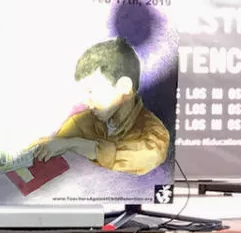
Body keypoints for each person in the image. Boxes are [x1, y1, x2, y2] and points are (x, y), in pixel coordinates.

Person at [32, 37, 170, 176]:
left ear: (124, 86)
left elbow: (149, 156)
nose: (87, 102)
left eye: (91, 92)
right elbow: (52, 144)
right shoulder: (82, 122)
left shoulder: (153, 132)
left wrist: (74, 144)